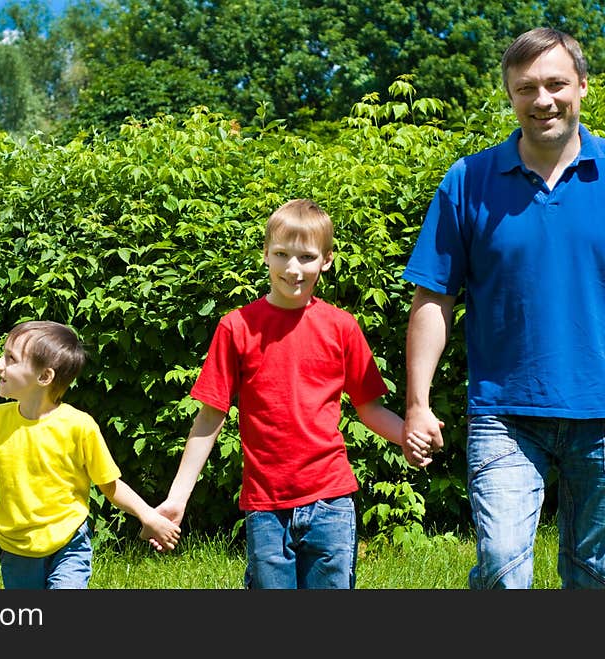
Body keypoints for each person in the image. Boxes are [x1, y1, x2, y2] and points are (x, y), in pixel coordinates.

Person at [402, 27, 605, 589]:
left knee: (596, 574)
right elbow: (433, 297)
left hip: (603, 411)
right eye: (526, 88)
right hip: (505, 413)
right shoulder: (468, 181)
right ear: (510, 95)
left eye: (556, 84)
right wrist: (417, 403)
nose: (543, 100)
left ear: (582, 86)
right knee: (503, 569)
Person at [151, 198, 432, 589]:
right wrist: (178, 497)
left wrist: (408, 436)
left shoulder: (342, 327)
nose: (293, 268)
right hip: (265, 508)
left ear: (327, 260)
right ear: (265, 254)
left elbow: (369, 408)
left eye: (306, 256)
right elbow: (210, 417)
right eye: (281, 254)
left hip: (332, 502)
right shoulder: (236, 328)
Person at [0, 319, 181, 589]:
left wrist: (148, 516)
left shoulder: (79, 426)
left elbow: (109, 485)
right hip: (16, 548)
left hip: (69, 542)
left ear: (44, 377)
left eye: (10, 359)